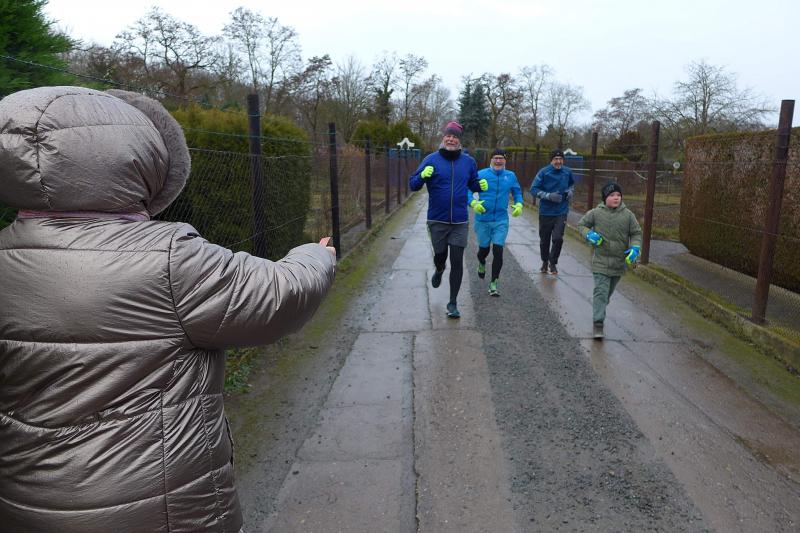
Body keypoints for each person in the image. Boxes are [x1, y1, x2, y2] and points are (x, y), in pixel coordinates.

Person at [0, 86, 336, 532]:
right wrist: (315, 255)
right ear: (138, 156)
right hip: (157, 508)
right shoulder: (168, 257)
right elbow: (279, 296)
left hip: (26, 503)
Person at [409, 121, 487, 318]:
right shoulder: (431, 159)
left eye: (455, 137)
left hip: (460, 221)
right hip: (437, 220)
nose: (451, 139)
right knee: (440, 256)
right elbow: (413, 185)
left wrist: (480, 185)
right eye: (448, 136)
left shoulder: (468, 162)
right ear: (443, 137)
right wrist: (422, 176)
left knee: (457, 261)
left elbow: (473, 183)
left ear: (459, 140)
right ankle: (439, 268)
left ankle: (452, 302)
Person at [578, 181, 642, 339]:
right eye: (612, 195)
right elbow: (582, 225)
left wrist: (635, 248)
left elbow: (636, 233)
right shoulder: (596, 213)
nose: (616, 198)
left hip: (618, 263)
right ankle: (598, 324)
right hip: (600, 261)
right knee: (601, 292)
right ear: (605, 198)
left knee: (606, 294)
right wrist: (589, 234)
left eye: (618, 195)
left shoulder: (628, 215)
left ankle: (599, 308)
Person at [469, 148, 524, 296]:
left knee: (498, 250)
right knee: (483, 251)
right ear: (491, 160)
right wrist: (473, 203)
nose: (498, 161)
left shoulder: (510, 176)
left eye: (501, 158)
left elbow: (517, 192)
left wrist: (519, 204)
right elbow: (468, 190)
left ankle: (493, 283)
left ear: (505, 160)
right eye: (496, 158)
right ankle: (481, 262)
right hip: (483, 219)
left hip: (501, 220)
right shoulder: (481, 174)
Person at [530, 149, 575, 275]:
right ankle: (544, 261)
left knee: (558, 238)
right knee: (545, 239)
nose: (558, 161)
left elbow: (572, 184)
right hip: (546, 211)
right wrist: (548, 196)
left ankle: (553, 263)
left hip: (561, 211)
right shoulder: (544, 172)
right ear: (551, 160)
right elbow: (533, 189)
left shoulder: (567, 171)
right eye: (556, 159)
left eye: (560, 159)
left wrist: (570, 191)